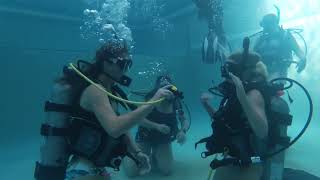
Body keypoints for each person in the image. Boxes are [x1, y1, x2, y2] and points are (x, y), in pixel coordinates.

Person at [34, 38, 174, 180]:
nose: (125, 69)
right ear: (106, 63)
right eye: (122, 63)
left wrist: (136, 152)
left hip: (95, 169)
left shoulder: (111, 91)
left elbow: (123, 127)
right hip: (82, 170)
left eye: (128, 64)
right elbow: (115, 128)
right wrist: (153, 101)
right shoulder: (96, 91)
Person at [198, 38, 271, 180]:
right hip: (234, 155)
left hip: (251, 160)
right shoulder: (234, 91)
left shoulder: (252, 94)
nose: (225, 74)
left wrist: (243, 97)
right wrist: (206, 106)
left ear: (242, 71)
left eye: (229, 69)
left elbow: (262, 132)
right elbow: (223, 120)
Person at [123, 75, 190, 177]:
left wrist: (182, 131)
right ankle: (126, 153)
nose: (166, 91)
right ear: (158, 89)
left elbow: (184, 120)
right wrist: (156, 126)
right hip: (145, 136)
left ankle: (155, 154)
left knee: (166, 170)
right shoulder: (150, 99)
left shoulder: (176, 101)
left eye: (169, 87)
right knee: (131, 172)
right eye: (163, 87)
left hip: (163, 138)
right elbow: (138, 119)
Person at [253, 13, 307, 80]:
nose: (266, 28)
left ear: (275, 23)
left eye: (269, 24)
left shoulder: (285, 36)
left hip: (279, 74)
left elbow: (298, 50)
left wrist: (303, 59)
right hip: (260, 74)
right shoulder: (260, 39)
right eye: (265, 25)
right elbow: (252, 54)